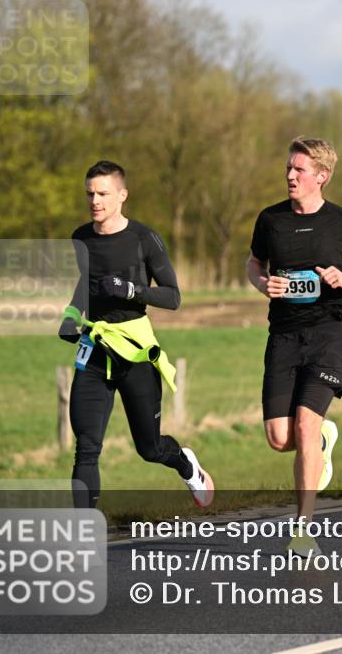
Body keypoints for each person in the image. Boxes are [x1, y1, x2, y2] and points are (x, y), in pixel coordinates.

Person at [247, 137, 342, 556]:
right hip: (283, 337)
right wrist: (262, 283)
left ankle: (302, 531)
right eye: (289, 168)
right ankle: (322, 440)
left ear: (321, 177)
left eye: (299, 170)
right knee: (279, 437)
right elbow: (254, 264)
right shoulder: (270, 220)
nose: (290, 175)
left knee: (303, 426)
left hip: (330, 334)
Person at [59, 160, 213, 510]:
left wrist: (130, 290)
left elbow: (173, 296)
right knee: (86, 445)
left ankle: (185, 463)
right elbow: (87, 284)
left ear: (122, 195)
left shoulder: (144, 238)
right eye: (90, 194)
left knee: (149, 448)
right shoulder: (80, 237)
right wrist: (71, 315)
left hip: (135, 353)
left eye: (103, 193)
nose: (94, 200)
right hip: (95, 350)